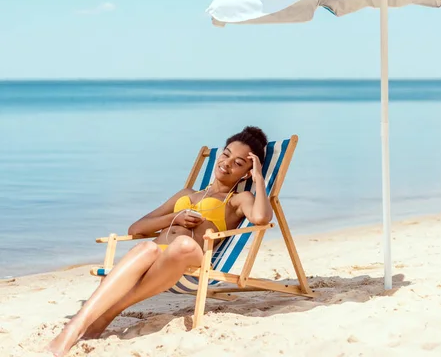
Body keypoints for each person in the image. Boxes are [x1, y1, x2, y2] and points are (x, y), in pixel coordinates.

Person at [47, 126, 273, 357]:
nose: (227, 163)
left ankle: (107, 314)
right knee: (146, 246)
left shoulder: (240, 198)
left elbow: (261, 217)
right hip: (157, 258)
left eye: (238, 163)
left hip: (192, 259)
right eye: (226, 154)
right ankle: (74, 327)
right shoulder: (186, 194)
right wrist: (176, 217)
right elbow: (136, 228)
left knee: (182, 245)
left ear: (247, 173)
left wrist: (259, 180)